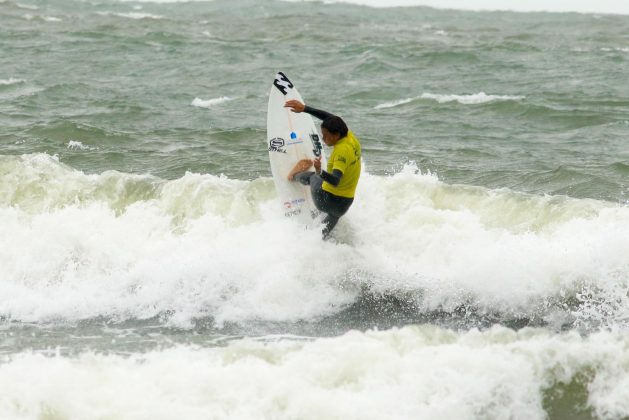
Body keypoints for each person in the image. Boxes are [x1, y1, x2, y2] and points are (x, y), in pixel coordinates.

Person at [284, 99, 361, 238]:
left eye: (326, 135)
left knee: (313, 177)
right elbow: (329, 118)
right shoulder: (350, 137)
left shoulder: (341, 151)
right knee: (324, 230)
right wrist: (305, 108)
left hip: (327, 200)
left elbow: (336, 180)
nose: (323, 138)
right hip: (344, 205)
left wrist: (319, 171)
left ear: (336, 135)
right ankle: (318, 245)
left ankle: (294, 175)